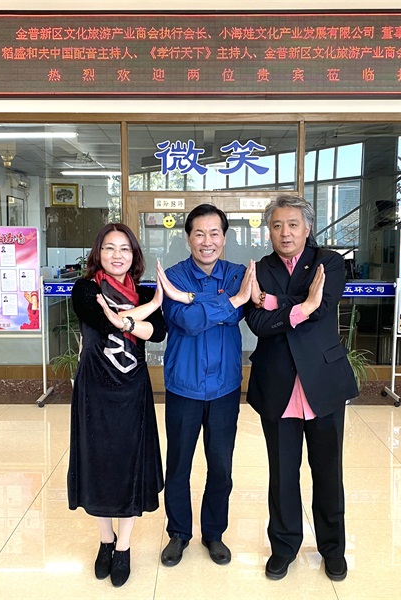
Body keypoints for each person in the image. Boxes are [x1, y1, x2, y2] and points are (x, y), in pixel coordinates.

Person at [245, 195, 358, 582]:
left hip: (321, 383)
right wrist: (302, 305)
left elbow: (322, 307)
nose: (285, 233)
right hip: (277, 385)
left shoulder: (329, 262)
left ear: (308, 228)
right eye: (277, 225)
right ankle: (284, 547)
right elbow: (257, 323)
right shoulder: (260, 268)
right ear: (269, 230)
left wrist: (274, 301)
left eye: (293, 224)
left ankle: (333, 549)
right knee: (282, 474)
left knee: (328, 473)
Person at [67, 223, 166, 588]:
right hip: (95, 388)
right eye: (109, 248)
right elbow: (101, 321)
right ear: (99, 253)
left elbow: (158, 332)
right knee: (99, 463)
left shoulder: (143, 290)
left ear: (133, 255)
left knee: (129, 463)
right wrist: (147, 310)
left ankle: (123, 546)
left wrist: (133, 315)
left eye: (124, 248)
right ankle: (105, 539)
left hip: (131, 389)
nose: (117, 255)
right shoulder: (86, 288)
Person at [155, 203, 254, 568]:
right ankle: (179, 533)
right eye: (199, 233)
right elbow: (187, 322)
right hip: (184, 386)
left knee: (221, 466)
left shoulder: (238, 274)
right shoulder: (173, 277)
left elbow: (237, 309)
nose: (207, 241)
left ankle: (214, 532)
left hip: (225, 387)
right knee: (178, 465)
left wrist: (199, 301)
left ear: (224, 238)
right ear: (188, 238)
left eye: (214, 233)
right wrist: (228, 302)